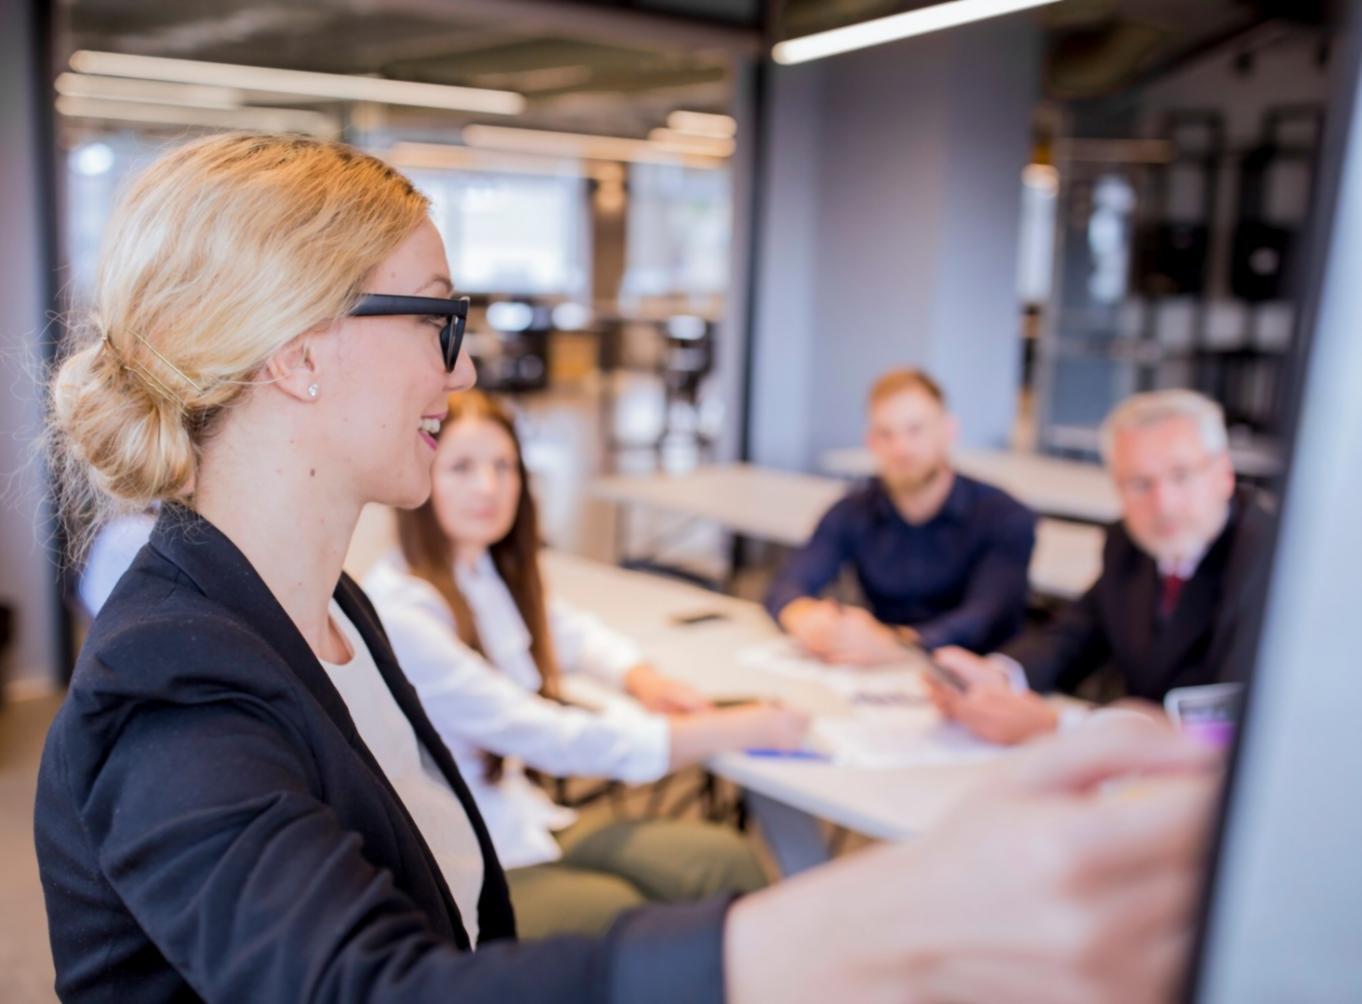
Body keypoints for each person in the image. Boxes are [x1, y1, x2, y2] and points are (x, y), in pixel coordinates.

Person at [38, 132, 1220, 1003]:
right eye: (440, 323)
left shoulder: (324, 609)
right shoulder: (174, 685)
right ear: (297, 352)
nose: (462, 374)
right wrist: (868, 924)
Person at [365, 389, 804, 937]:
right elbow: (545, 733)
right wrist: (724, 730)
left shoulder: (481, 571)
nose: (489, 487)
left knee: (722, 859)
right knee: (632, 915)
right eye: (462, 467)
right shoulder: (406, 608)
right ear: (422, 471)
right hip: (470, 858)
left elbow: (569, 631)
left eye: (504, 466)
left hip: (526, 819)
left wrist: (642, 679)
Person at [927, 390, 1273, 745]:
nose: (1163, 504)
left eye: (1181, 475)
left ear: (1225, 474)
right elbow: (1074, 636)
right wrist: (998, 677)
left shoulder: (1269, 561)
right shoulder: (1129, 541)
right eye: (1139, 484)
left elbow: (1237, 723)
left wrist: (1061, 726)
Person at [765, 368, 1036, 666]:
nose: (901, 448)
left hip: (976, 676)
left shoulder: (1004, 516)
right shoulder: (853, 510)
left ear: (948, 431)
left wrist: (897, 642)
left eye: (915, 430)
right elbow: (791, 580)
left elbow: (984, 617)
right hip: (881, 675)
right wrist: (804, 616)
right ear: (871, 441)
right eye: (886, 434)